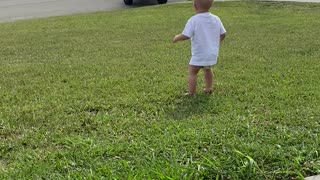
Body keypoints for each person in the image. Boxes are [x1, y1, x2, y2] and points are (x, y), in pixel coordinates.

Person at [173, 0, 226, 96]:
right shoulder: (216, 19)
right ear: (211, 5)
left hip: (199, 54)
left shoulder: (194, 20)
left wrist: (177, 38)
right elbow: (223, 33)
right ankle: (209, 88)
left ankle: (191, 93)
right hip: (211, 53)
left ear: (195, 5)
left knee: (193, 72)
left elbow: (186, 35)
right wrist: (216, 42)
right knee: (208, 69)